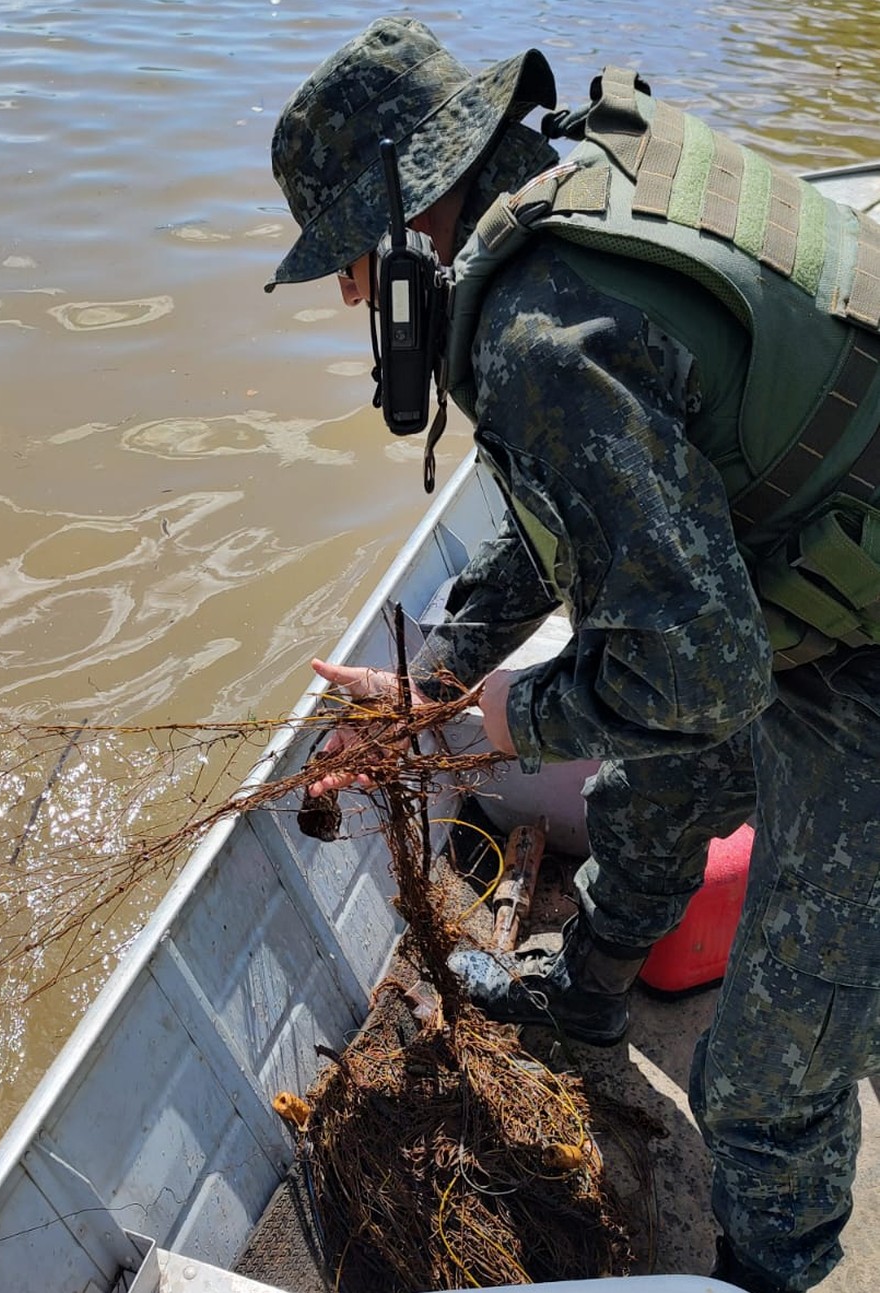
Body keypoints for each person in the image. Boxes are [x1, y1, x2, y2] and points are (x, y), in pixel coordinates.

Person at [265, 16, 880, 1293]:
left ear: (403, 225)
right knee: (651, 786)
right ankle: (584, 989)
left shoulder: (538, 336)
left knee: (766, 1072)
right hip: (826, 562)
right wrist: (437, 681)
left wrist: (509, 718)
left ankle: (769, 1271)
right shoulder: (582, 181)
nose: (349, 301)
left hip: (860, 655)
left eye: (348, 268)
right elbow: (580, 522)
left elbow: (699, 677)